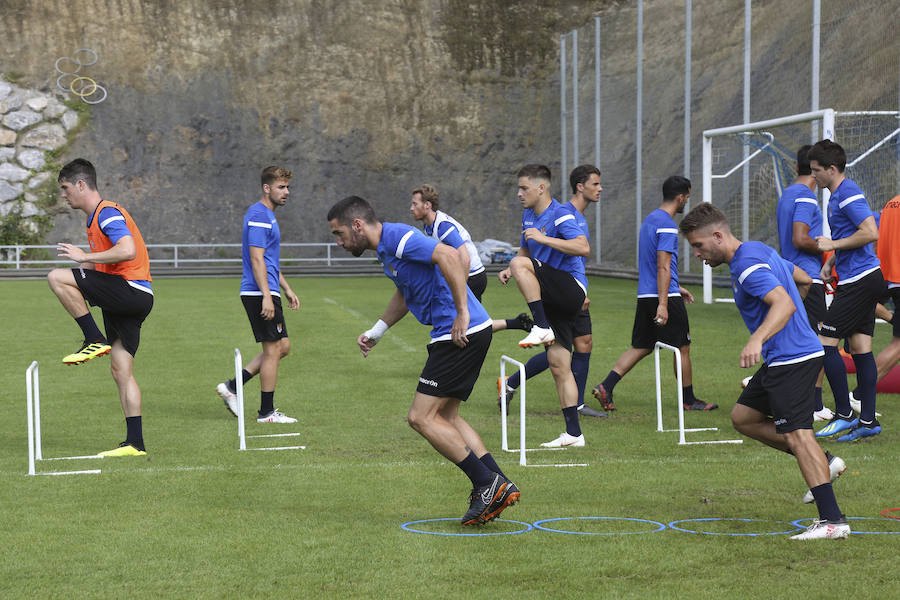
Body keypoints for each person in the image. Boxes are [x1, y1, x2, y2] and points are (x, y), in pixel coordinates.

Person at [327, 195, 519, 526]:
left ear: (357, 225)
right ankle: (500, 482)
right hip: (465, 329)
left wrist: (460, 311)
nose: (340, 242)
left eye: (339, 234)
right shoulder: (386, 252)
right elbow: (405, 292)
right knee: (447, 416)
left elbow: (448, 255)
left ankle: (487, 484)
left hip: (458, 332)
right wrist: (378, 330)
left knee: (420, 418)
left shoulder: (397, 237)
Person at [680, 202, 849, 540]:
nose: (697, 254)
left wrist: (757, 338)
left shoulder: (746, 265)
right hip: (785, 357)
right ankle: (826, 461)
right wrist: (797, 318)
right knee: (743, 417)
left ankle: (832, 521)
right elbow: (802, 278)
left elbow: (783, 303)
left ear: (717, 235)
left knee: (799, 435)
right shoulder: (756, 250)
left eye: (698, 246)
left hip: (793, 359)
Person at [47, 158, 154, 457]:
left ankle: (93, 338)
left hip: (129, 290)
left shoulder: (106, 213)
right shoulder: (94, 217)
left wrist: (83, 258)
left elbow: (127, 248)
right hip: (136, 297)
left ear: (81, 184)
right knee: (122, 370)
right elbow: (112, 257)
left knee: (56, 277)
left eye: (66, 188)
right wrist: (90, 263)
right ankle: (135, 444)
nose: (64, 195)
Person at [591, 176, 715, 412]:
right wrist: (665, 302)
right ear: (680, 197)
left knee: (643, 345)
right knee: (682, 347)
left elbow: (651, 264)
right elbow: (662, 266)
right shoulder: (667, 225)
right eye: (686, 198)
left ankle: (607, 386)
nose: (686, 203)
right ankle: (688, 400)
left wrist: (674, 287)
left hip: (646, 295)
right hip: (661, 296)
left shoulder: (649, 221)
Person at [499, 164, 606, 418]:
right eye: (595, 184)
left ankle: (575, 407)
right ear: (580, 187)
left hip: (568, 289)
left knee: (582, 345)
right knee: (560, 358)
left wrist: (581, 291)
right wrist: (512, 267)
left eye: (523, 188)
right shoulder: (530, 216)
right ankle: (572, 428)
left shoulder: (562, 214)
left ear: (541, 187)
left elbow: (581, 249)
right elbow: (526, 250)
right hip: (554, 292)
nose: (518, 193)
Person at [810, 139, 884, 442]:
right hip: (860, 277)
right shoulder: (837, 195)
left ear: (831, 169)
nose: (813, 176)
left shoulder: (847, 193)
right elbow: (851, 234)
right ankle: (868, 422)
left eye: (817, 171)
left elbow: (870, 231)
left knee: (824, 343)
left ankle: (843, 414)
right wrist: (833, 263)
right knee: (862, 348)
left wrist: (832, 246)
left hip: (860, 281)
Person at [216, 166, 300, 424]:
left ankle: (232, 386)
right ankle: (266, 413)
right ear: (267, 188)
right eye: (281, 187)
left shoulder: (268, 216)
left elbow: (270, 260)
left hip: (268, 288)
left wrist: (285, 288)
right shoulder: (259, 215)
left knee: (282, 347)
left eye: (287, 187)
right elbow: (256, 259)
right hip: (258, 291)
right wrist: (266, 294)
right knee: (273, 349)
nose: (286, 192)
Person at [409, 184, 533, 333]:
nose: (411, 208)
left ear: (427, 205)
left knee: (460, 324)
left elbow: (465, 258)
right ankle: (517, 323)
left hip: (473, 277)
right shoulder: (429, 226)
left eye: (415, 204)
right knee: (470, 325)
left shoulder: (443, 227)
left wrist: (459, 287)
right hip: (470, 276)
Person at [775, 145, 831, 421]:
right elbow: (800, 238)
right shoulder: (807, 198)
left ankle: (786, 398)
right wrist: (826, 247)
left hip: (790, 275)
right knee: (821, 342)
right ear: (814, 168)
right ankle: (813, 403)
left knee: (793, 339)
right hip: (807, 277)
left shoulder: (786, 195)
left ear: (796, 168)